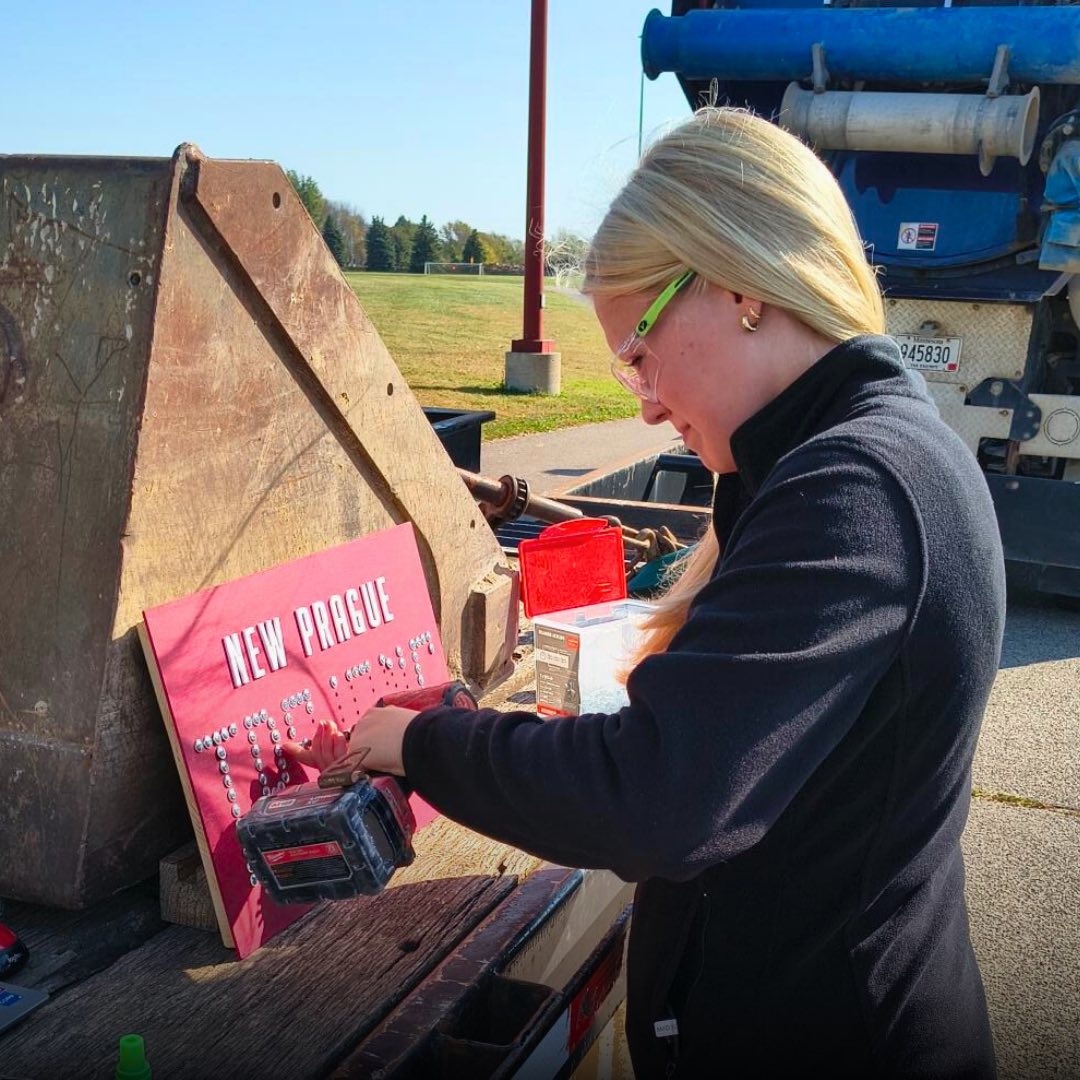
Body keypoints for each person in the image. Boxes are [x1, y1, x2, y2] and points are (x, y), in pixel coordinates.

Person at [289, 107, 1005, 1078]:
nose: (645, 400)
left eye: (637, 353)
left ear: (740, 289)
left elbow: (660, 798)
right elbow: (721, 733)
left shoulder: (853, 489)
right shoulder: (843, 457)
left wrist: (423, 746)